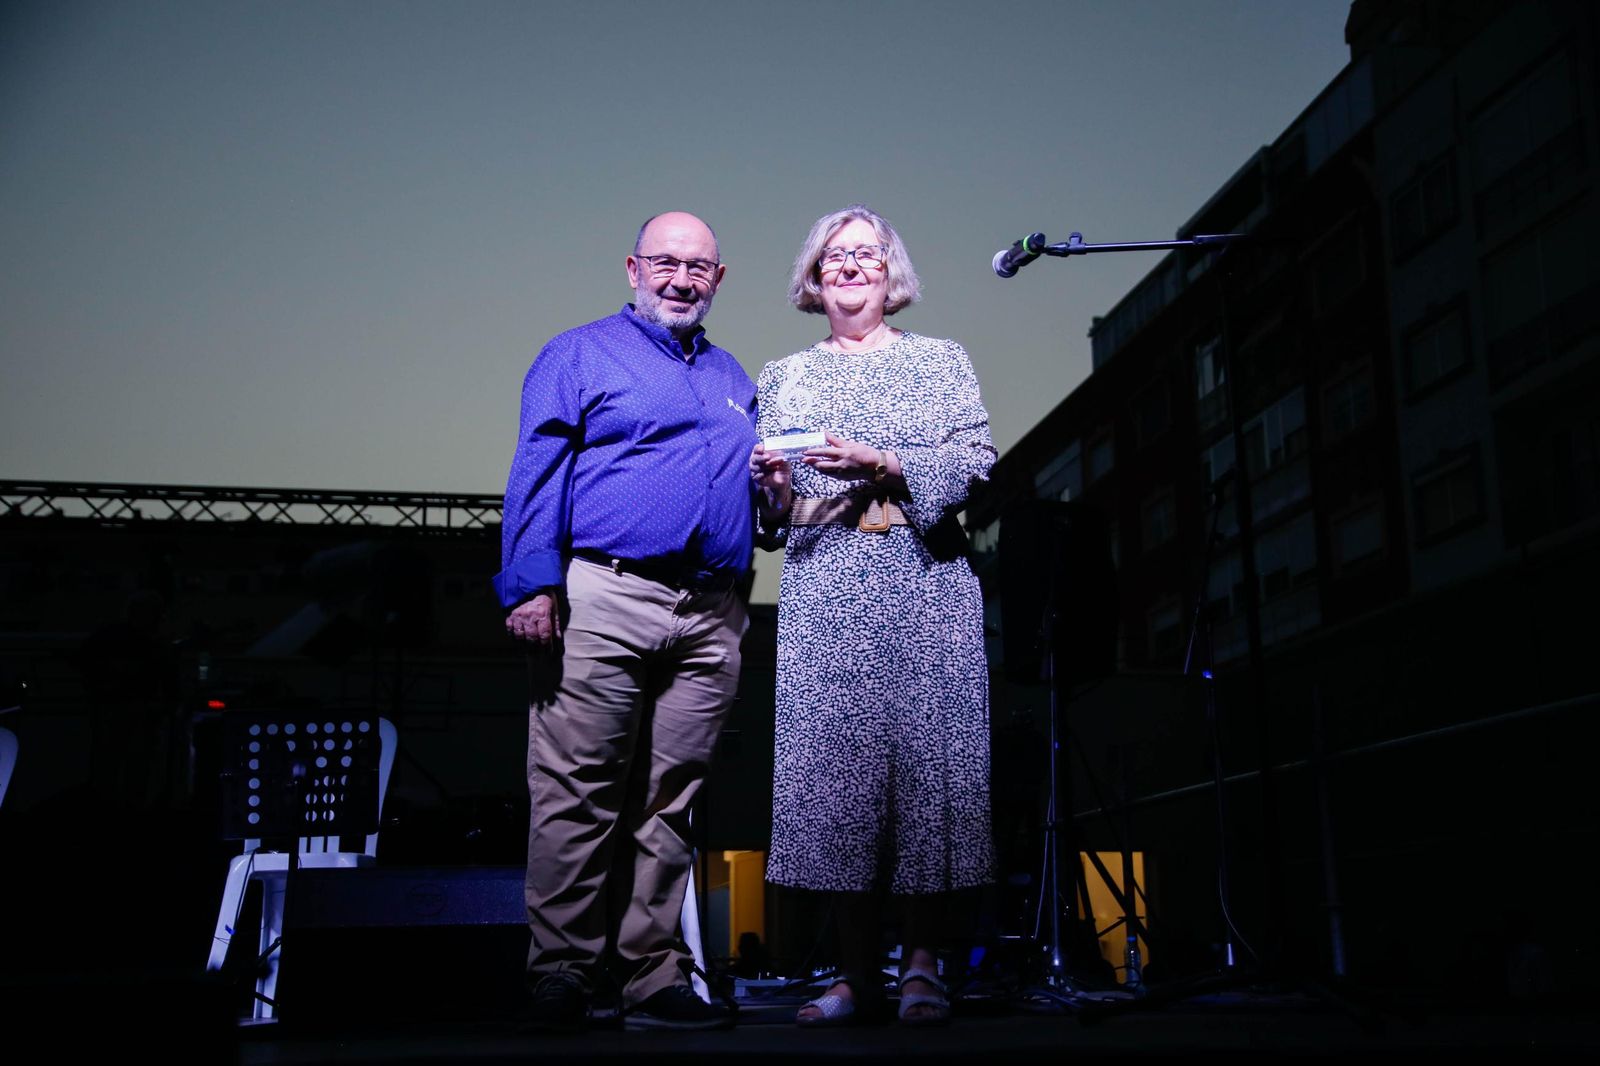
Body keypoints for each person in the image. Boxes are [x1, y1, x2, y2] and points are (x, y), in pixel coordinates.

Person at [496, 211, 756, 1032]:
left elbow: (753, 491)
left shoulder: (735, 376)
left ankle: (652, 976)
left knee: (671, 801)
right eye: (666, 262)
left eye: (700, 267)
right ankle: (564, 971)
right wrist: (530, 587)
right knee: (578, 789)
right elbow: (537, 467)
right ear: (633, 268)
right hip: (605, 594)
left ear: (719, 280)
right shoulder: (578, 352)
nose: (682, 278)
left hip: (712, 609)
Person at [749, 204, 997, 1026]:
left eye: (867, 253)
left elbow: (977, 465)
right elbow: (768, 521)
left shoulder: (943, 361)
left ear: (893, 272)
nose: (851, 266)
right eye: (834, 256)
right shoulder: (782, 375)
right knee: (836, 785)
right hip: (826, 586)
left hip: (927, 581)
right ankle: (853, 974)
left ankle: (923, 965)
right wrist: (774, 494)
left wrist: (882, 461)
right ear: (812, 279)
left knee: (930, 777)